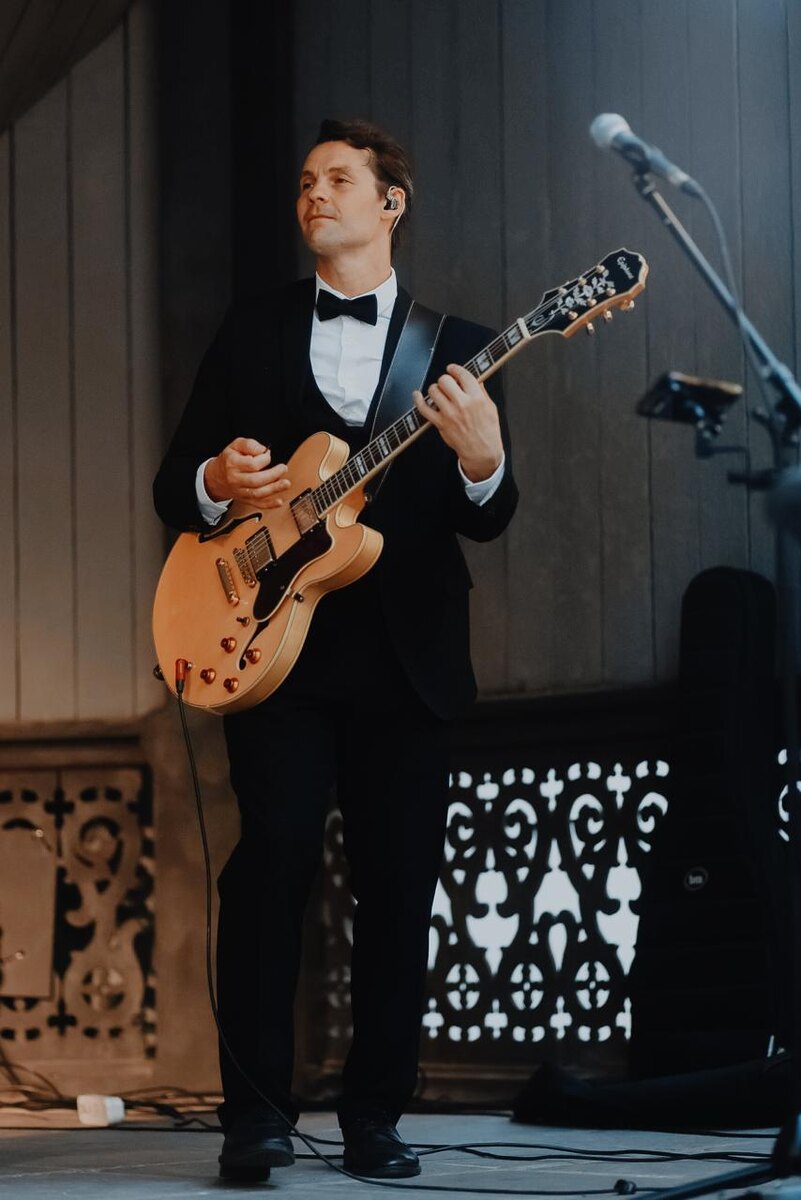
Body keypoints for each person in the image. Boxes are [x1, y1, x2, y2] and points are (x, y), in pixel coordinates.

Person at [153, 117, 518, 1181]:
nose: (314, 194)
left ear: (390, 202)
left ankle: (375, 1119)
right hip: (273, 646)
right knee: (271, 864)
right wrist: (217, 480)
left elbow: (489, 518)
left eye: (340, 179)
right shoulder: (253, 328)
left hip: (407, 657)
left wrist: (484, 460)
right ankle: (256, 1117)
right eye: (305, 181)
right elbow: (175, 483)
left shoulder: (462, 347)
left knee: (399, 888)